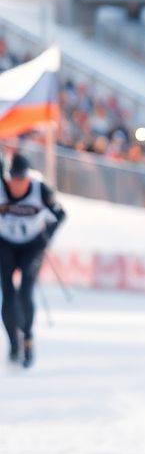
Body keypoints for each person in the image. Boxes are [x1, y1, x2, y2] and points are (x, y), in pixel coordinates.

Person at [0, 153, 66, 367]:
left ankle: (27, 337)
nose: (17, 186)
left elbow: (60, 214)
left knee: (25, 292)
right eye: (13, 180)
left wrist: (47, 236)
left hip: (31, 246)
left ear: (27, 178)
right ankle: (13, 343)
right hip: (6, 244)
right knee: (8, 295)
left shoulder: (40, 190)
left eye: (21, 180)